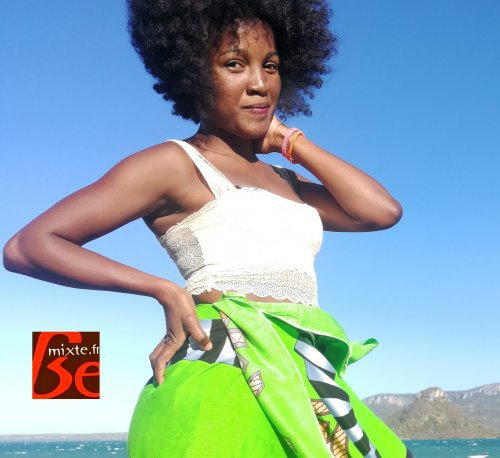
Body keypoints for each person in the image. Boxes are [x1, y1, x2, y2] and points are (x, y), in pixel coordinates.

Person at [3, 0, 413, 456]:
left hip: (305, 378)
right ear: (194, 72)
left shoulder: (286, 180)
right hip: (219, 382)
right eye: (234, 64)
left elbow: (381, 212)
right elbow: (28, 246)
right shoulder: (174, 164)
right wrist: (162, 289)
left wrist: (291, 142)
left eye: (270, 65)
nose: (259, 83)